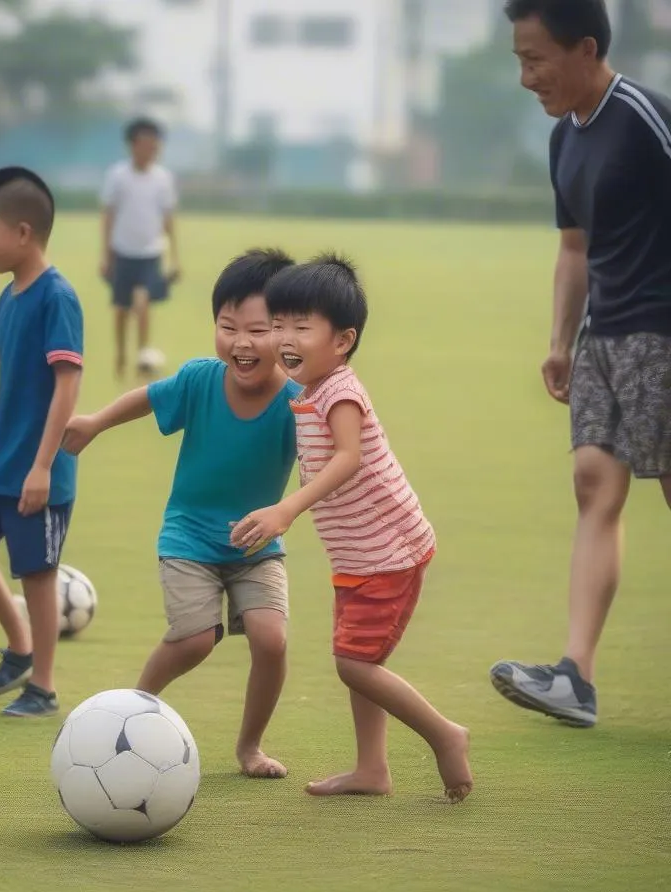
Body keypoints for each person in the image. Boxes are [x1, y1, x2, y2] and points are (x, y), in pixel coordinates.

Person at [230, 256, 473, 802]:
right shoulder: (310, 389)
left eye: (301, 326)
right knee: (362, 657)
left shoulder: (340, 391)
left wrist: (287, 508)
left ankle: (444, 735)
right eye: (279, 324)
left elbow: (347, 459)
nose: (284, 338)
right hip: (359, 557)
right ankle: (372, 770)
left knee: (355, 664)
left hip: (387, 551)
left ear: (342, 340)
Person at [490, 0, 671, 728]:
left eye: (535, 59)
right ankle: (576, 677)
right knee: (594, 485)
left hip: (661, 332)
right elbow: (574, 249)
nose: (527, 77)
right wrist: (561, 340)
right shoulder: (566, 140)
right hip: (603, 339)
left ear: (586, 47)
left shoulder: (647, 119)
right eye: (519, 61)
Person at [63, 249, 298, 777]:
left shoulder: (299, 402)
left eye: (258, 330)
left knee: (272, 639)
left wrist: (289, 510)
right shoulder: (199, 380)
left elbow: (324, 465)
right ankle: (130, 708)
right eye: (227, 326)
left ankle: (249, 747)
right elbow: (147, 397)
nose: (240, 342)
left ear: (288, 334)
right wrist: (96, 422)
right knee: (193, 639)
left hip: (257, 545)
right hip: (188, 537)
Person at [0, 167, 84, 718]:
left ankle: (44, 687)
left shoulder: (58, 298)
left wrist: (43, 466)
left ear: (23, 233)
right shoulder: (9, 299)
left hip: (37, 473)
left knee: (39, 576)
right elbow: (13, 390)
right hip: (4, 463)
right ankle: (20, 643)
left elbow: (66, 386)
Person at [100, 118, 180, 379]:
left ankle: (143, 354)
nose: (151, 151)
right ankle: (121, 354)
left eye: (155, 146)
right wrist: (106, 255)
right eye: (146, 145)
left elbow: (168, 219)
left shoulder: (163, 179)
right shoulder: (118, 176)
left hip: (151, 252)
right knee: (122, 308)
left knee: (143, 301)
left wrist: (174, 257)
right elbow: (109, 216)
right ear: (133, 145)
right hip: (123, 251)